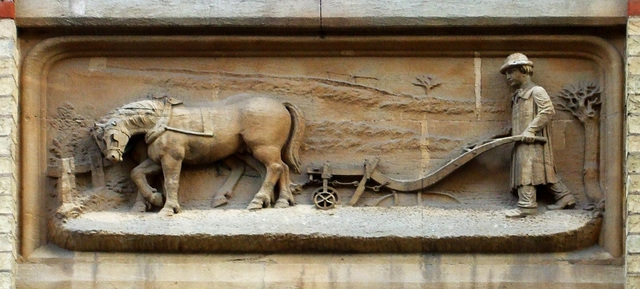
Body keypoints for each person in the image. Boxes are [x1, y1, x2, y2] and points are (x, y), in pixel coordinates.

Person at [500, 53, 576, 218]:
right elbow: (516, 122)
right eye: (506, 73)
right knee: (544, 171)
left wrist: (531, 130)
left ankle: (526, 206)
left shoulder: (537, 91)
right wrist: (499, 135)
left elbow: (548, 111)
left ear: (523, 70)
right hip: (521, 140)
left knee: (526, 171)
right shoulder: (517, 97)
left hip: (532, 142)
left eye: (511, 72)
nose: (508, 77)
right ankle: (565, 197)